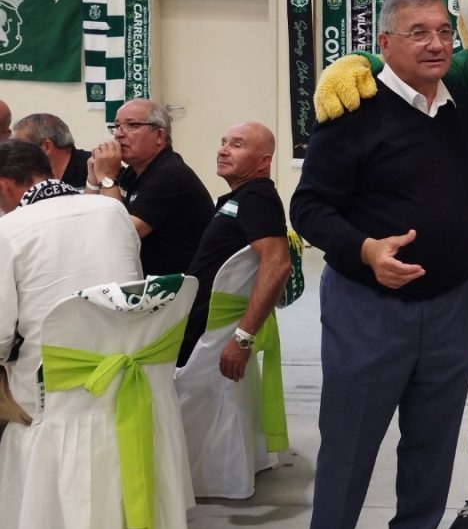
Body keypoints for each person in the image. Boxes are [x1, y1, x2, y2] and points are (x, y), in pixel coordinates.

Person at [290, 0, 468, 529]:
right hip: (368, 307)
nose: (435, 43)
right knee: (349, 442)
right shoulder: (354, 112)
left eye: (443, 31)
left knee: (433, 441)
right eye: (418, 32)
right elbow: (308, 207)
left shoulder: (463, 107)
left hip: (450, 306)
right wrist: (367, 250)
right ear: (385, 44)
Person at [0, 140, 142, 427]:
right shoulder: (113, 210)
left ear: (3, 186)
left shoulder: (8, 230)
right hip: (128, 370)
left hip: (49, 390)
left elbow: (1, 339)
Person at [176, 122, 291, 375]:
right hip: (200, 329)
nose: (223, 150)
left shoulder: (258, 197)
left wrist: (243, 338)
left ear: (263, 162)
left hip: (214, 339)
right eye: (223, 143)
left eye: (237, 145)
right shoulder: (240, 198)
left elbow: (278, 264)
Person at [86, 99, 214, 275]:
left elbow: (121, 236)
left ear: (159, 135)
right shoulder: (131, 172)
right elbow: (89, 223)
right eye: (116, 126)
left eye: (132, 125)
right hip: (142, 276)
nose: (118, 134)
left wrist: (107, 178)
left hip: (174, 284)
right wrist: (94, 178)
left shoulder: (171, 174)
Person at [12, 113, 91, 190]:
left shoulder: (92, 168)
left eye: (20, 146)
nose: (15, 153)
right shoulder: (24, 175)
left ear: (47, 147)